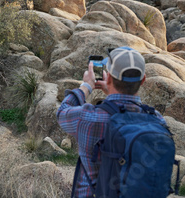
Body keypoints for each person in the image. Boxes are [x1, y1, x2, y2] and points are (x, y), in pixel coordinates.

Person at [56, 47, 166, 198]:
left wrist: (86, 86)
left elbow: (62, 112)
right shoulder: (158, 120)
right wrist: (113, 92)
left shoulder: (88, 117)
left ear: (108, 78)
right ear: (143, 80)